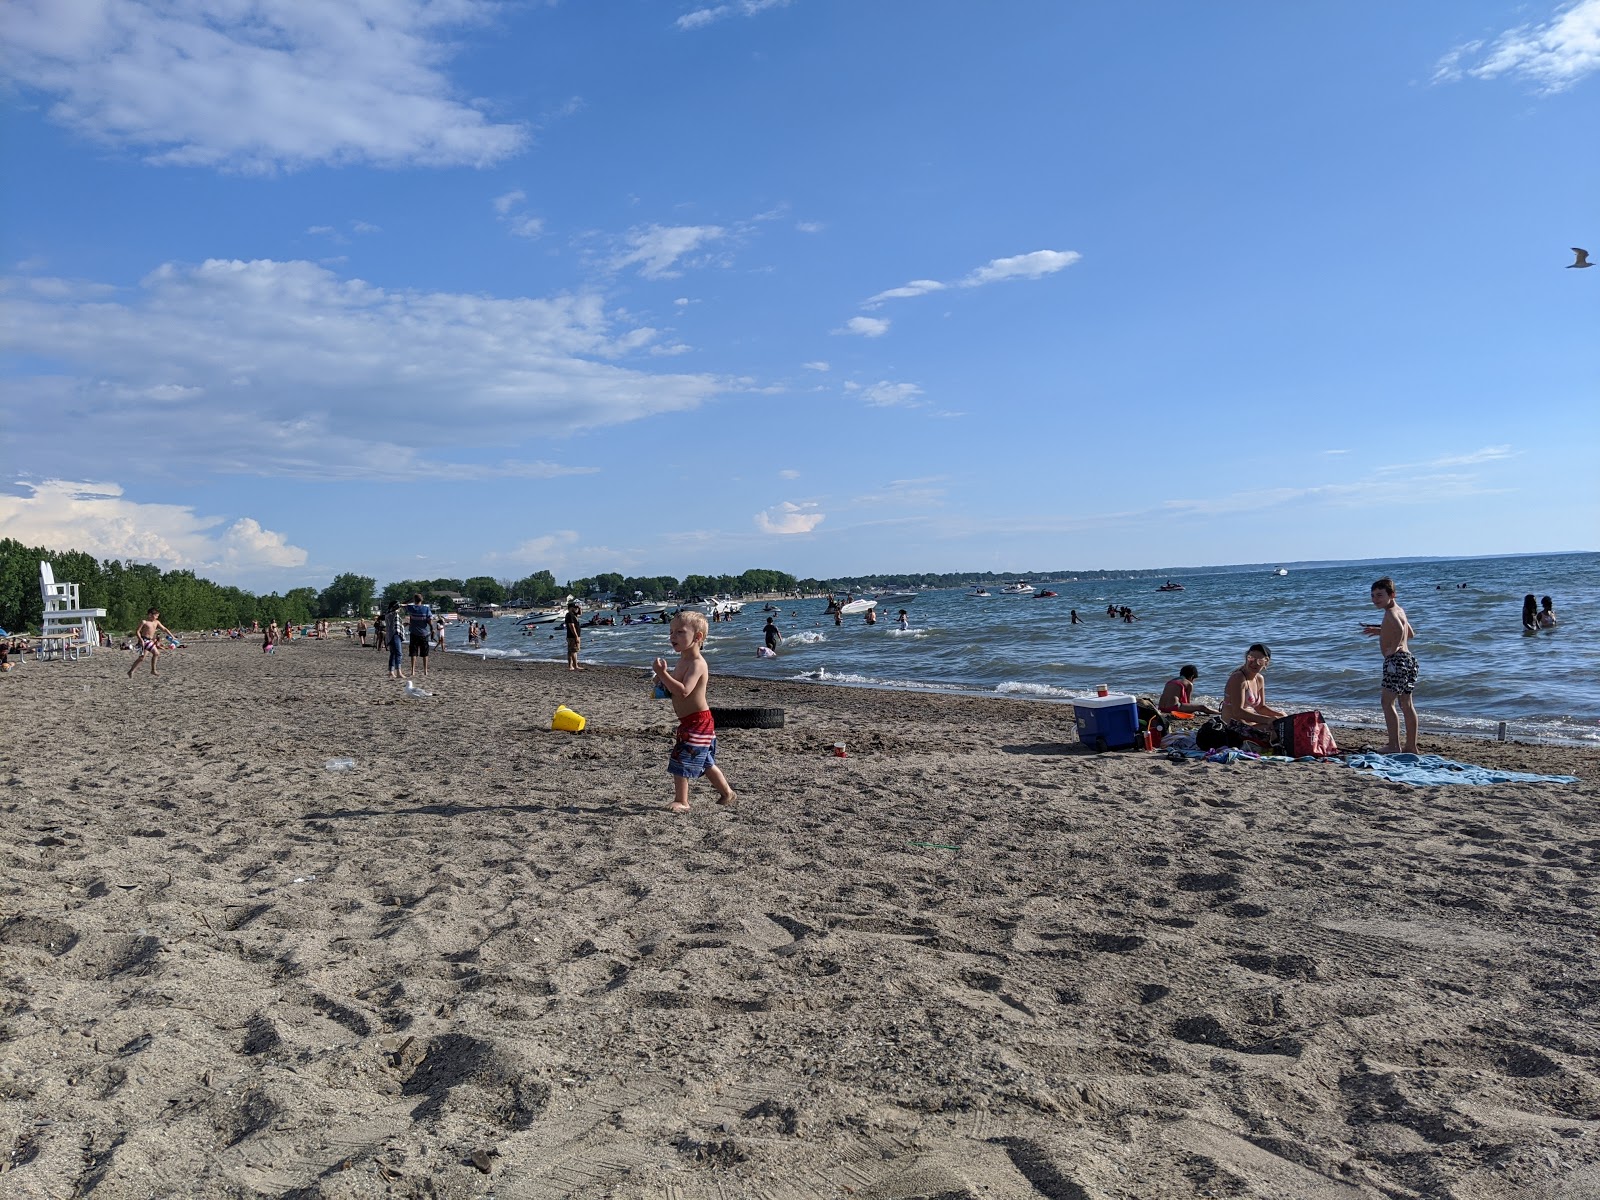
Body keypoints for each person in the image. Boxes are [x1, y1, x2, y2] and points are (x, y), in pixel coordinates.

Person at [652, 611, 736, 813]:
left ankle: (682, 801)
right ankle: (727, 793)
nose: (673, 637)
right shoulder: (682, 661)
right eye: (671, 632)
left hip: (699, 722)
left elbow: (683, 690)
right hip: (691, 721)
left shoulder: (697, 663)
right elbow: (671, 687)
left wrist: (663, 674)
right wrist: (660, 680)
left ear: (698, 637)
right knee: (706, 762)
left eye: (680, 632)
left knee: (680, 758)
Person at [1363, 576, 1419, 755]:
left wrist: (1393, 648)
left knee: (1387, 702)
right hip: (1409, 660)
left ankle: (1394, 745)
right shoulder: (1400, 610)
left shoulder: (1390, 612)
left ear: (1392, 594)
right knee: (1406, 704)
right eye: (1373, 596)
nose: (1375, 599)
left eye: (1379, 595)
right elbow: (1410, 634)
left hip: (1396, 661)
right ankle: (1411, 746)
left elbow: (1401, 631)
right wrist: (1380, 631)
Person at [1221, 644, 1284, 735]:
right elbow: (1237, 712)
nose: (1255, 663)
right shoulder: (1238, 678)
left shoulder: (1259, 679)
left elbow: (1260, 707)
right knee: (1278, 729)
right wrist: (1268, 720)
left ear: (1266, 663)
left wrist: (1279, 715)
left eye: (1260, 660)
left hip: (1249, 724)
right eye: (1251, 658)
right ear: (1246, 658)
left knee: (1283, 721)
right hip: (1232, 728)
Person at [127, 608, 174, 677]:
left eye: (157, 616)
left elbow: (164, 629)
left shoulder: (156, 622)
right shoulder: (144, 622)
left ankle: (131, 671)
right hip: (144, 640)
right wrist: (141, 640)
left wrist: (172, 636)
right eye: (156, 615)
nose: (157, 617)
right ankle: (153, 670)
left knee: (142, 658)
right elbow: (137, 631)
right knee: (156, 653)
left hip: (150, 641)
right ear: (150, 615)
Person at [405, 593, 433, 678]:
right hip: (424, 633)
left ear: (414, 600)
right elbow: (429, 620)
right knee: (425, 653)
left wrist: (410, 600)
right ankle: (425, 671)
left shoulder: (412, 608)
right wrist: (432, 628)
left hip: (414, 633)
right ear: (422, 600)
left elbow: (402, 604)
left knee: (413, 653)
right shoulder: (426, 609)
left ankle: (413, 670)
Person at [382, 600, 405, 679]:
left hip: (391, 635)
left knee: (393, 654)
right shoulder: (391, 613)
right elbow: (396, 608)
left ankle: (391, 671)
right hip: (394, 635)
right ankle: (398, 672)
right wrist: (401, 604)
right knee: (399, 653)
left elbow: (397, 624)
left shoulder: (389, 614)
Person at [564, 601, 584, 671]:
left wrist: (580, 607)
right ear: (571, 608)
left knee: (571, 651)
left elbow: (580, 613)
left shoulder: (573, 615)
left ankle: (571, 666)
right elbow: (571, 626)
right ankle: (574, 665)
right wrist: (576, 637)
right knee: (573, 651)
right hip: (572, 636)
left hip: (572, 636)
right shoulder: (570, 615)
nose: (576, 609)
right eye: (575, 608)